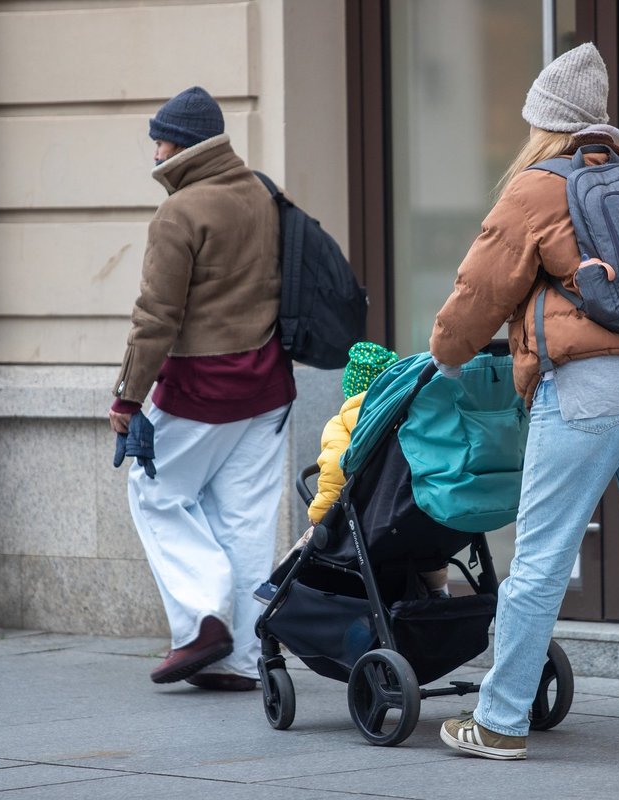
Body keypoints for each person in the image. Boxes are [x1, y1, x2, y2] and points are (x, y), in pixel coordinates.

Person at [430, 43, 619, 760]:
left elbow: (478, 292)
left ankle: (501, 721)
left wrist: (445, 355)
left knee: (538, 558)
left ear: (545, 123)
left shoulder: (537, 188)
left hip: (591, 388)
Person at [109, 86, 295, 692]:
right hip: (268, 388)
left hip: (199, 387)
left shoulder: (180, 212)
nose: (154, 150)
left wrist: (127, 397)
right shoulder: (264, 194)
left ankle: (201, 624)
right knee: (244, 520)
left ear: (182, 145)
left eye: (159, 139)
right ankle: (238, 660)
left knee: (156, 494)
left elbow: (155, 317)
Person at [254, 341, 450, 603]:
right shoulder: (409, 419)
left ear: (350, 388)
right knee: (430, 553)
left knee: (310, 541)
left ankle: (276, 588)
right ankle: (440, 592)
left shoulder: (341, 424)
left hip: (362, 522)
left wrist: (319, 514)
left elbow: (334, 472)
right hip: (407, 517)